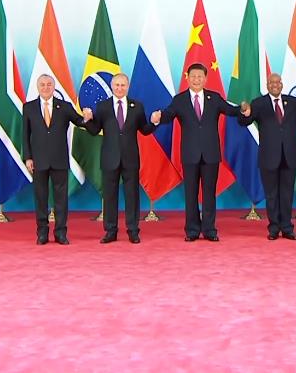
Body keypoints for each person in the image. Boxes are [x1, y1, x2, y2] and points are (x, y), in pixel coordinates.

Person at [151, 63, 246, 242]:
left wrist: (242, 109)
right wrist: (159, 117)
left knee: (209, 193)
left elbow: (230, 110)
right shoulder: (179, 100)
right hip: (190, 154)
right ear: (187, 78)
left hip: (211, 153)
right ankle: (192, 230)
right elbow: (168, 114)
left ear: (205, 79)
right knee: (191, 194)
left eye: (200, 77)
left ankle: (209, 230)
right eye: (193, 76)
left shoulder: (214, 98)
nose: (196, 80)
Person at [239, 73, 296, 240]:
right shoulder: (258, 103)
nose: (275, 84)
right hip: (268, 157)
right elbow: (245, 121)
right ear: (267, 85)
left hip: (289, 156)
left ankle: (287, 228)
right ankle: (274, 228)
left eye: (277, 82)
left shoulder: (293, 102)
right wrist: (245, 113)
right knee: (271, 195)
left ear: (282, 84)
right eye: (271, 82)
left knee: (287, 194)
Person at [83, 73, 156, 244]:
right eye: (117, 85)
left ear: (128, 87)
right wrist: (87, 120)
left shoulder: (137, 106)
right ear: (112, 86)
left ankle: (133, 230)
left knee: (132, 196)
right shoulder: (103, 106)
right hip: (110, 158)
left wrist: (154, 122)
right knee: (109, 196)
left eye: (123, 85)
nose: (120, 88)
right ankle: (110, 231)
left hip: (130, 158)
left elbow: (144, 130)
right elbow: (94, 130)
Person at [23, 74, 92, 246]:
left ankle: (61, 233)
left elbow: (79, 121)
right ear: (38, 87)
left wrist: (87, 117)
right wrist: (28, 157)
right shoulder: (29, 107)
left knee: (61, 199)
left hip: (59, 159)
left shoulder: (65, 106)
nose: (46, 87)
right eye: (42, 84)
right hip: (38, 160)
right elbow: (25, 135)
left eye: (49, 84)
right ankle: (42, 233)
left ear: (54, 87)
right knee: (40, 198)